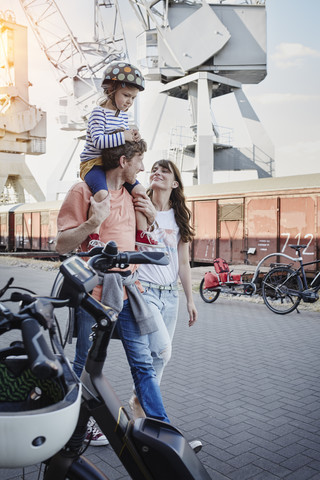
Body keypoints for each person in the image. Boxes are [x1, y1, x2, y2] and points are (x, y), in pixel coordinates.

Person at [56, 140, 170, 446]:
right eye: (140, 161)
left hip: (129, 292)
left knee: (143, 364)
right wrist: (94, 220)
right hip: (93, 295)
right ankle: (69, 429)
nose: (143, 168)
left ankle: (164, 431)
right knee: (83, 364)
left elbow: (141, 242)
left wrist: (151, 217)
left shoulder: (134, 195)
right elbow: (62, 245)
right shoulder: (83, 192)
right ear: (123, 161)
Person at [129, 159, 198, 417]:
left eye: (164, 171)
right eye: (154, 170)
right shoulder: (139, 204)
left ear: (175, 183)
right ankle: (144, 404)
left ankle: (140, 403)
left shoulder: (179, 216)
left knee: (158, 356)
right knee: (163, 350)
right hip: (144, 290)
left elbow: (183, 262)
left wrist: (190, 299)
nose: (157, 173)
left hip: (171, 295)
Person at [79, 60, 159, 249]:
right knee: (102, 193)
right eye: (126, 95)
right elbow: (99, 142)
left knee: (140, 192)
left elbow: (120, 141)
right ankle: (94, 237)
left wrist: (132, 136)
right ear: (111, 90)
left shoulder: (122, 115)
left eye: (133, 98)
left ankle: (141, 233)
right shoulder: (98, 114)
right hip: (93, 163)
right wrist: (124, 136)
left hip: (112, 163)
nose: (129, 101)